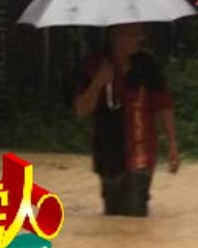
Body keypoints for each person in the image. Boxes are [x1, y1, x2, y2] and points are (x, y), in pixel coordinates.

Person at [74, 23, 179, 217]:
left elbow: (163, 105)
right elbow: (82, 109)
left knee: (136, 216)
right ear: (116, 36)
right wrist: (98, 83)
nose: (139, 39)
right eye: (132, 34)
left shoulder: (147, 65)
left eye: (140, 34)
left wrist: (172, 143)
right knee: (112, 219)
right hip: (107, 154)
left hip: (141, 153)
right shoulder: (94, 65)